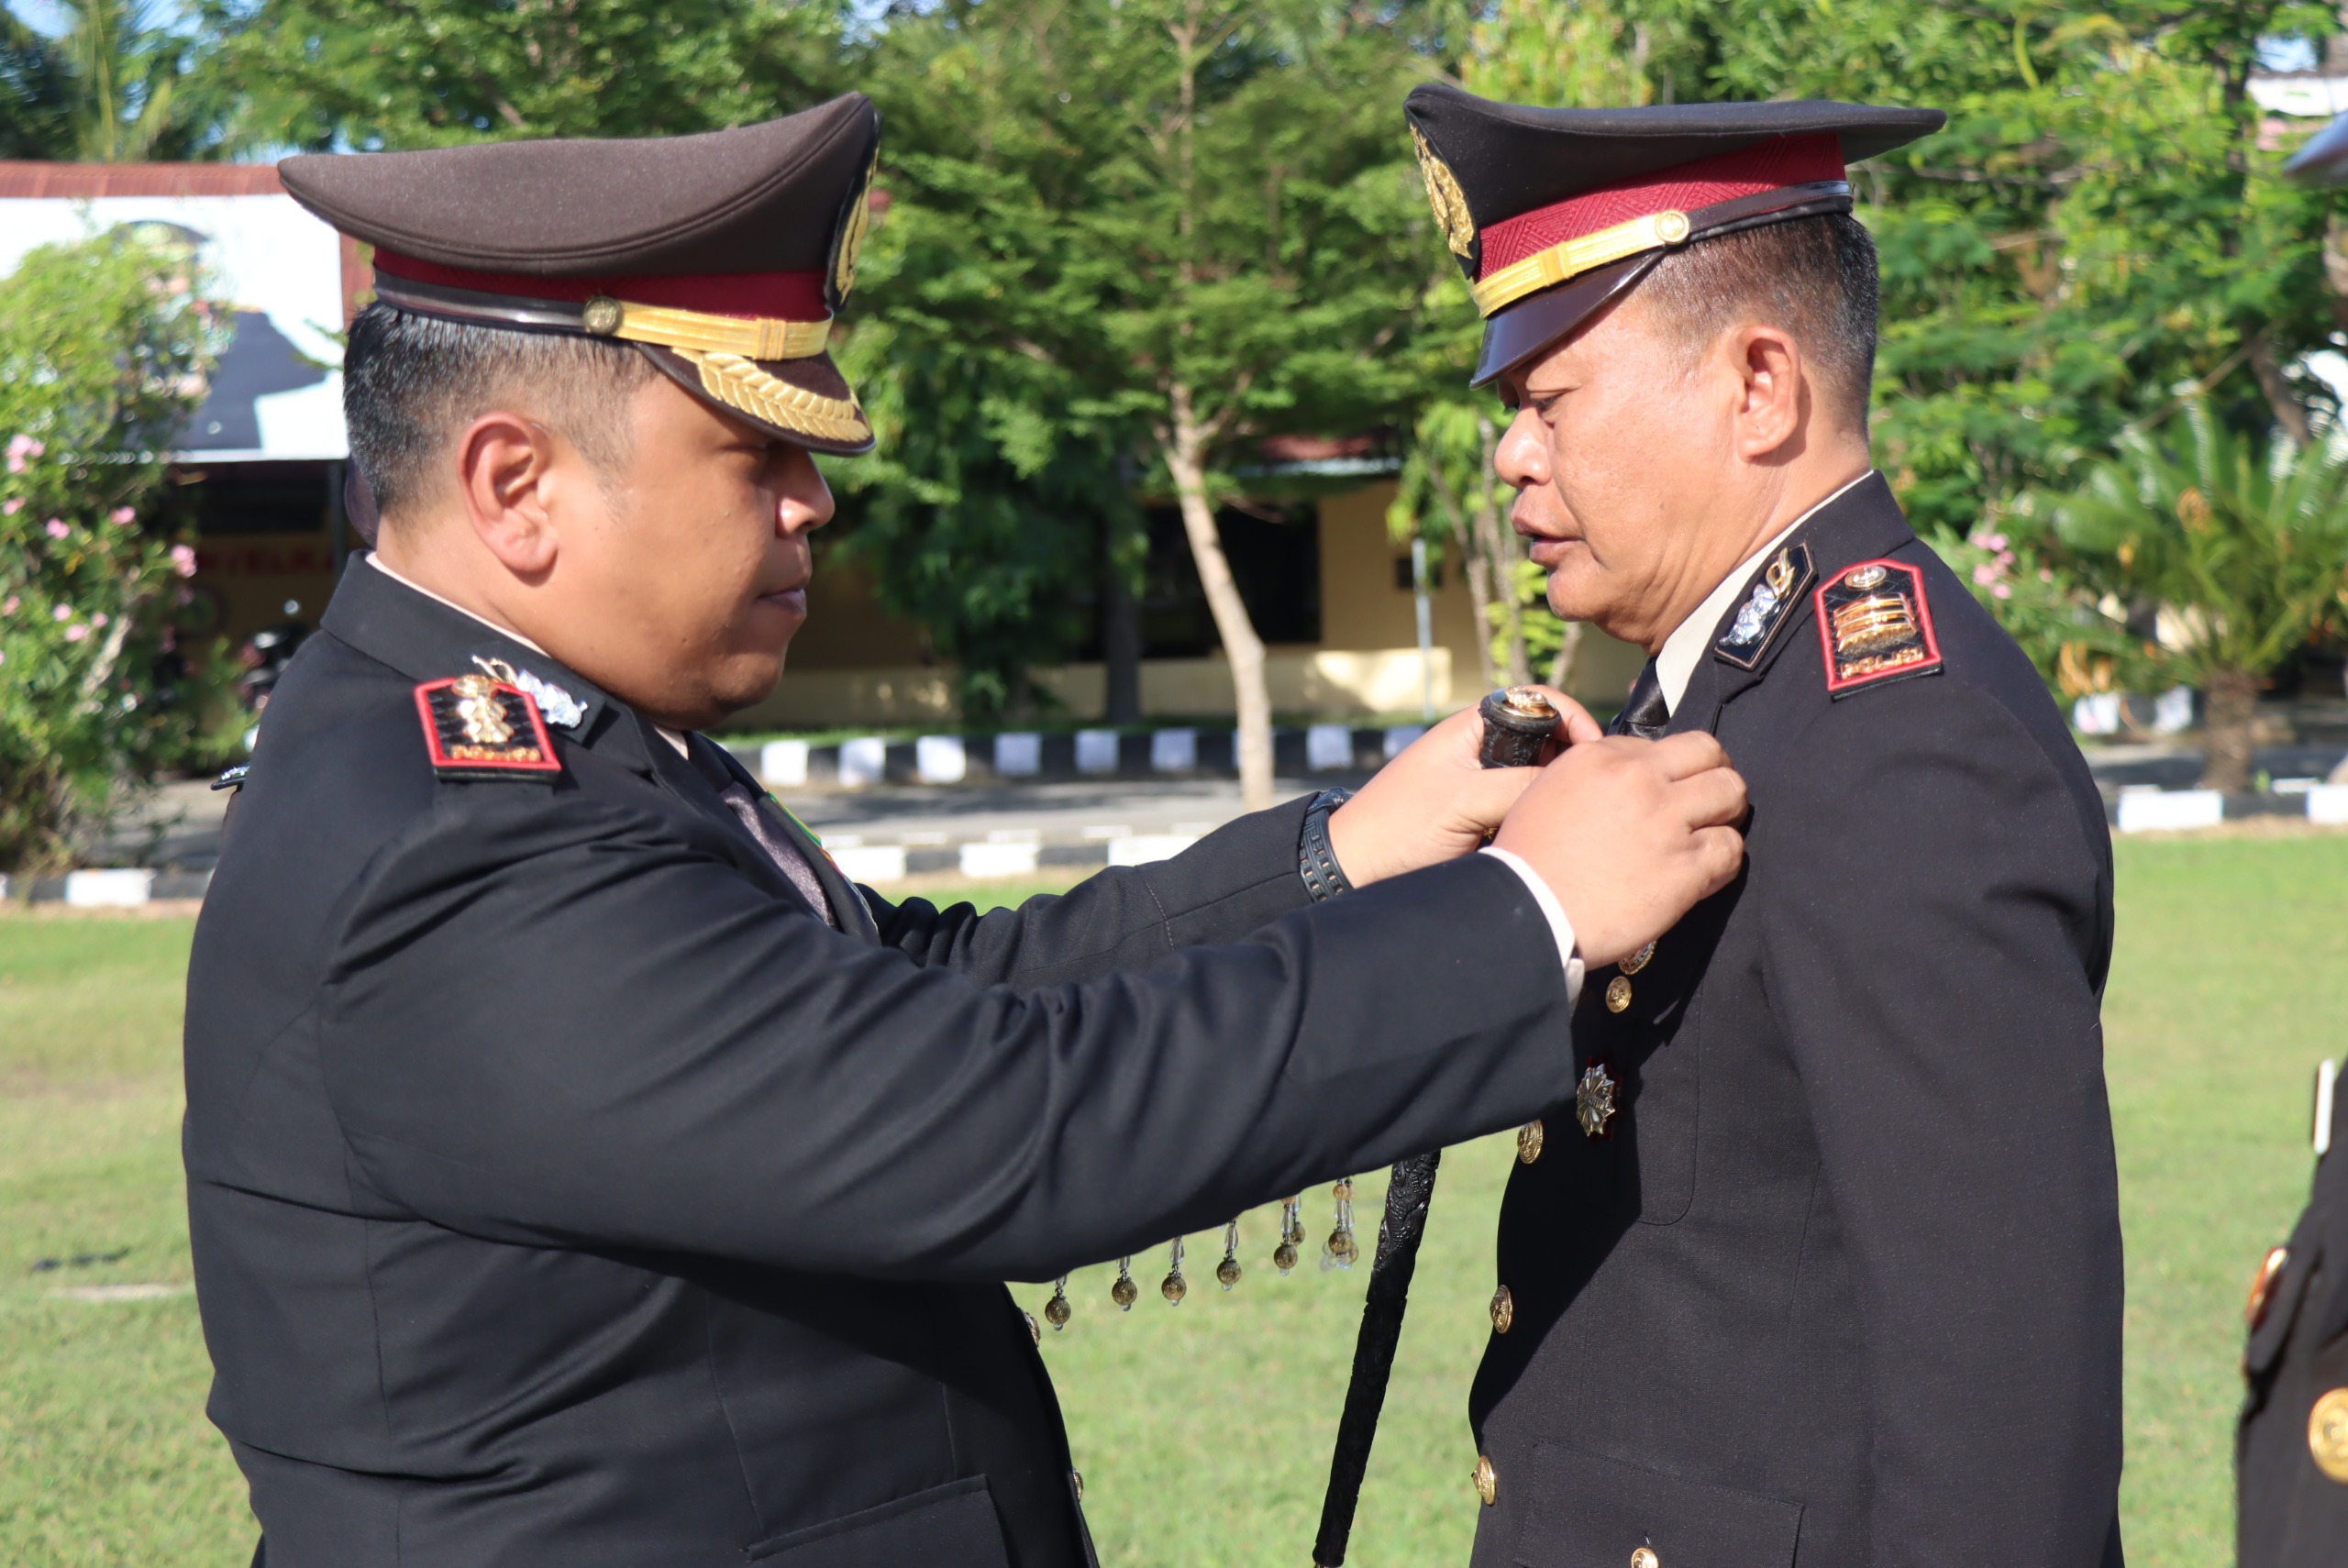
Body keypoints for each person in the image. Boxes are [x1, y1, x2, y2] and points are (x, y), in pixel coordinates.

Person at [183, 94, 1751, 1568]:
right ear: (515, 486)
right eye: (753, 451)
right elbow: (1003, 1113)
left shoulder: (560, 751)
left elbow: (936, 993)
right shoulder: (462, 845)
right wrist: (1530, 915)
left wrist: (1346, 851)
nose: (813, 501)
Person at [1401, 83, 2124, 1567]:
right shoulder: (1733, 688)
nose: (1512, 455)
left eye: (1549, 400)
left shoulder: (1902, 743)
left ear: (1758, 387)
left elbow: (2001, 1417)